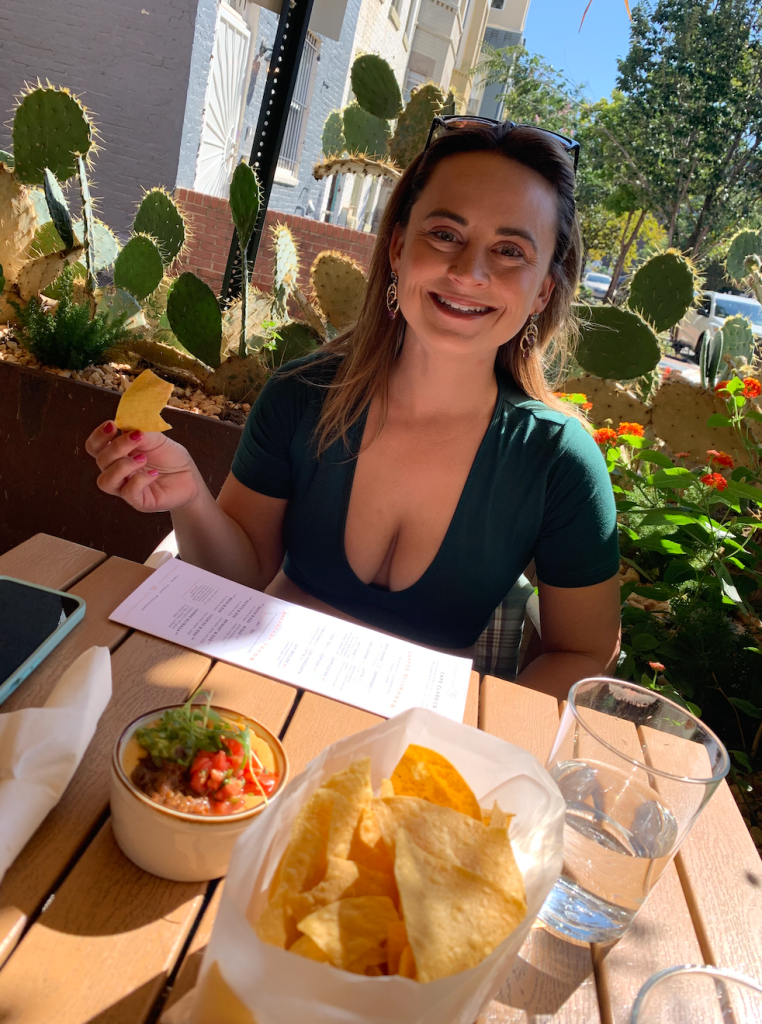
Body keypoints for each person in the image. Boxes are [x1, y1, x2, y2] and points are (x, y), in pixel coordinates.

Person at [85, 117, 621, 700]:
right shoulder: (300, 395)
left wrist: (474, 734)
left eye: (510, 251)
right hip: (251, 697)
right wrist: (188, 494)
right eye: (445, 234)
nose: (469, 272)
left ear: (543, 290)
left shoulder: (560, 462)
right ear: (398, 248)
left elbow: (582, 651)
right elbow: (240, 578)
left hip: (415, 735)